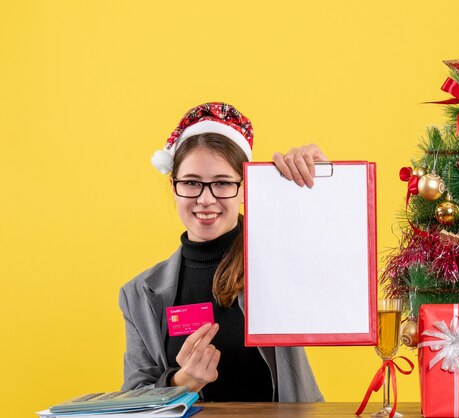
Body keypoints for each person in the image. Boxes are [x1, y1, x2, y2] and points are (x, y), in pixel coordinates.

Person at [119, 102, 327, 402]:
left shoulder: (275, 260)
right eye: (191, 183)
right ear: (173, 185)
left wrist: (321, 184)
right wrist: (182, 381)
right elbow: (133, 398)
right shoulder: (138, 293)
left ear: (245, 189)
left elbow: (336, 264)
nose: (206, 199)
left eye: (222, 183)